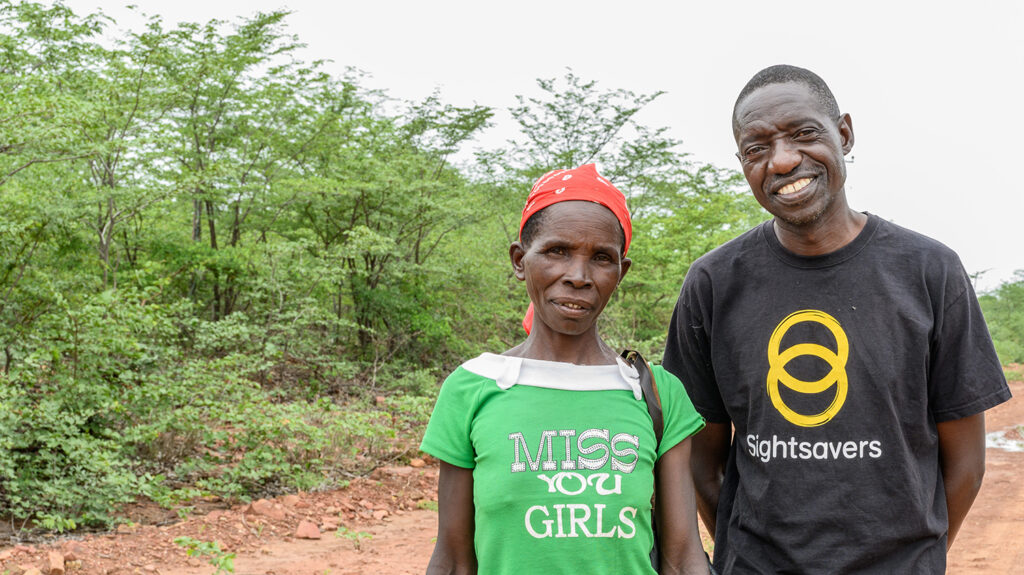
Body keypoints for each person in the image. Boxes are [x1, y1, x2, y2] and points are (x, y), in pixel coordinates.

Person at [663, 64, 1012, 573]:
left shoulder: (929, 270)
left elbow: (966, 463)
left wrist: (915, 558)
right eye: (757, 149)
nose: (783, 161)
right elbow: (702, 459)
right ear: (743, 163)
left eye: (804, 134)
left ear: (844, 133)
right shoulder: (714, 283)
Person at [421, 164, 711, 575]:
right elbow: (452, 560)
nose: (578, 276)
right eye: (557, 251)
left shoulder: (657, 394)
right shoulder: (473, 387)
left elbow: (682, 560)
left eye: (601, 258)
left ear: (620, 273)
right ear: (520, 260)